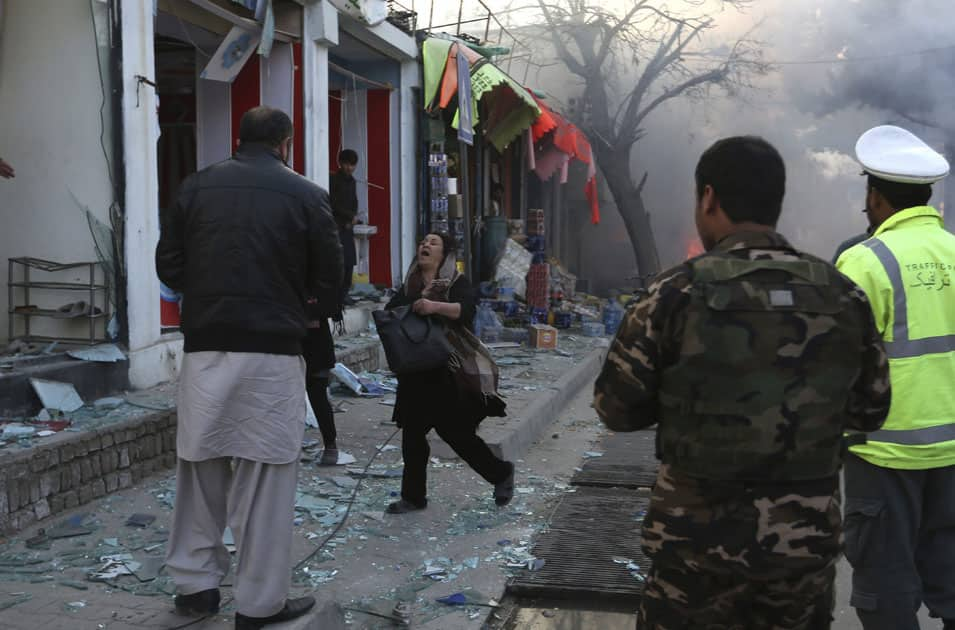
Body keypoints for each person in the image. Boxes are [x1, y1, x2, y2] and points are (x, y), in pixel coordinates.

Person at [594, 136, 891, 629]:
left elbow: (616, 409)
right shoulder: (843, 296)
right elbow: (871, 410)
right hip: (801, 554)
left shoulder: (675, 293)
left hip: (693, 555)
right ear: (776, 202)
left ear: (708, 198)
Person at [156, 106, 342, 630]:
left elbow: (168, 263)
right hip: (272, 349)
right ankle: (259, 604)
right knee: (265, 478)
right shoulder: (308, 195)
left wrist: (205, 292)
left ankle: (195, 588)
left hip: (207, 346)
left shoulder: (196, 187)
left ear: (241, 139)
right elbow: (331, 277)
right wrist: (305, 310)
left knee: (200, 467)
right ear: (285, 141)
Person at [835, 125, 955, 630]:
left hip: (882, 455)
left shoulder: (864, 261)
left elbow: (837, 365)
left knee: (886, 594)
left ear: (876, 196)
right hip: (953, 452)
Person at [383, 232, 514, 514]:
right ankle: (413, 498)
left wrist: (434, 306)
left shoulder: (455, 282)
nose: (425, 246)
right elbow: (392, 311)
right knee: (413, 438)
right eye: (423, 242)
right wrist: (411, 304)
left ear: (444, 254)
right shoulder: (410, 283)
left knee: (458, 436)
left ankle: (501, 473)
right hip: (415, 371)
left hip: (447, 372)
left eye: (433, 243)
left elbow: (466, 311)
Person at [330, 149, 359, 305]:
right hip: (336, 227)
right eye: (347, 164)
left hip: (348, 228)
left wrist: (353, 217)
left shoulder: (352, 181)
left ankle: (344, 294)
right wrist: (349, 216)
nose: (349, 168)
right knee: (338, 262)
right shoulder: (333, 180)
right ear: (340, 163)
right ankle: (336, 296)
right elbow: (333, 204)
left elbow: (354, 202)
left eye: (352, 165)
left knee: (349, 262)